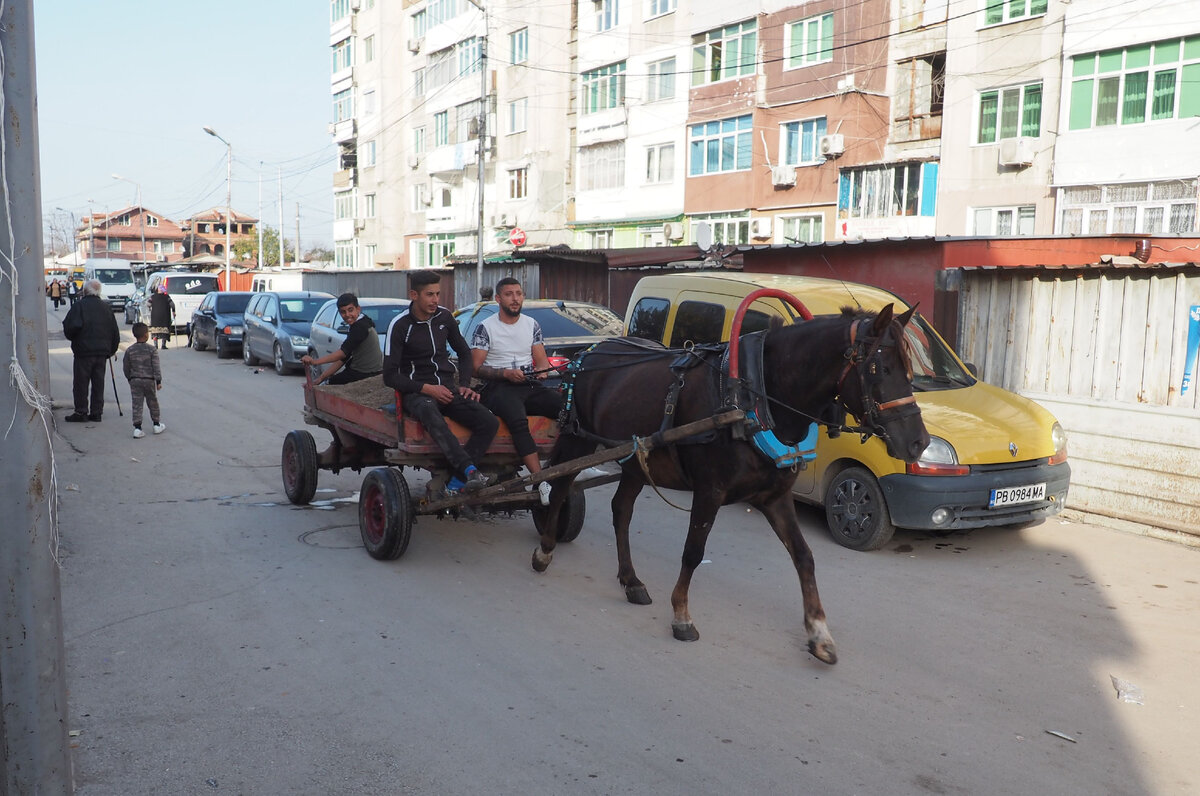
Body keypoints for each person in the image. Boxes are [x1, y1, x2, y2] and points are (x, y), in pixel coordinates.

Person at [382, 270, 498, 493]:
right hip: (417, 392)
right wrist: (427, 389)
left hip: (448, 389)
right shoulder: (400, 325)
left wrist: (464, 384)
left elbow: (464, 353)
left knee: (488, 421)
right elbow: (390, 376)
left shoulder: (445, 318)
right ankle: (470, 471)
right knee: (432, 415)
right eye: (429, 295)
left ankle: (456, 482)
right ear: (414, 295)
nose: (435, 300)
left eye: (438, 294)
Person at [470, 277, 564, 505]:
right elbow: (475, 368)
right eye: (510, 294)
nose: (515, 298)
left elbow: (541, 361)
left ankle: (570, 466)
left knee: (566, 409)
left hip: (527, 384)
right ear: (498, 299)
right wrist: (504, 374)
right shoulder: (486, 327)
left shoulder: (531, 324)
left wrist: (542, 371)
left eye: (519, 294)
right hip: (498, 387)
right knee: (517, 420)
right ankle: (539, 480)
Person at [61, 278, 120, 422]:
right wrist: (111, 350)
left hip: (84, 352)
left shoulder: (79, 306)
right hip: (102, 353)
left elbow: (70, 328)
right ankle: (96, 412)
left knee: (81, 383)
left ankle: (81, 412)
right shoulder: (106, 308)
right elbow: (114, 332)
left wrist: (75, 339)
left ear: (85, 290)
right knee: (98, 382)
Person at [300, 293, 382, 385]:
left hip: (363, 373)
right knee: (329, 381)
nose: (347, 315)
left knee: (329, 386)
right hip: (369, 371)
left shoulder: (359, 327)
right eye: (343, 312)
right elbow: (344, 358)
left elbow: (341, 354)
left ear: (358, 309)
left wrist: (314, 361)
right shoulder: (364, 321)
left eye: (350, 310)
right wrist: (321, 378)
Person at [122, 322, 166, 438]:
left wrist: (129, 378)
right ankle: (156, 424)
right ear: (146, 335)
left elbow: (126, 367)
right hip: (149, 380)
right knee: (152, 402)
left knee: (137, 403)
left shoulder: (130, 350)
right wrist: (158, 381)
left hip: (135, 380)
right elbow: (156, 366)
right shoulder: (152, 350)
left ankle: (137, 428)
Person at [148, 284, 174, 349]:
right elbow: (172, 305)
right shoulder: (167, 297)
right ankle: (163, 345)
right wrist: (174, 311)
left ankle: (155, 345)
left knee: (155, 332)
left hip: (155, 316)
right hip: (165, 316)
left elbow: (148, 304)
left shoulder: (153, 297)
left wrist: (150, 308)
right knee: (164, 331)